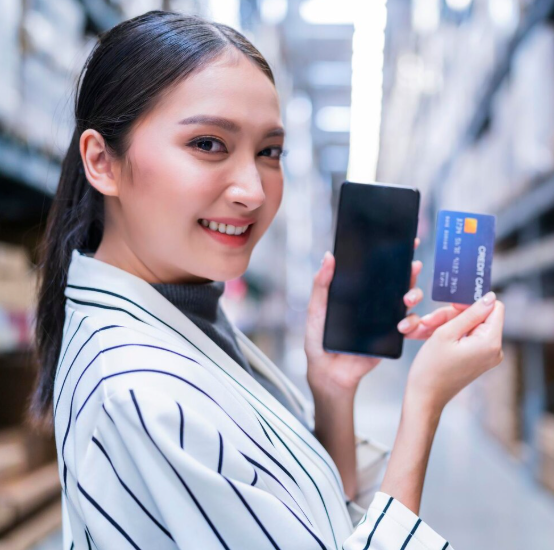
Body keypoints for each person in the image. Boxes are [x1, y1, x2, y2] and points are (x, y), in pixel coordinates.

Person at [32, 10, 505, 550]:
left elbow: (313, 522)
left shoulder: (191, 322)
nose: (253, 191)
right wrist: (423, 404)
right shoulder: (140, 393)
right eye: (208, 143)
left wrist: (331, 390)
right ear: (102, 162)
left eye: (269, 152)